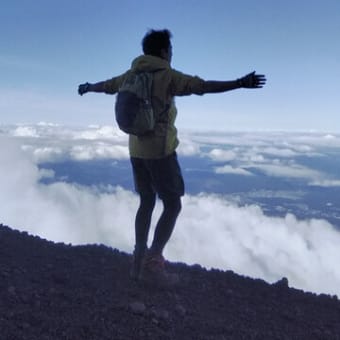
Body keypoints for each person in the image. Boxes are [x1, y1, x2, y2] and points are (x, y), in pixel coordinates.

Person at [78, 29, 266, 283]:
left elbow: (107, 86)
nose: (172, 55)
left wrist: (88, 87)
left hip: (136, 152)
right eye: (171, 51)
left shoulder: (130, 75)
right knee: (173, 203)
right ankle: (153, 260)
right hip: (160, 153)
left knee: (146, 201)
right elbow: (203, 86)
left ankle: (138, 258)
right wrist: (239, 83)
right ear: (165, 52)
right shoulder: (167, 76)